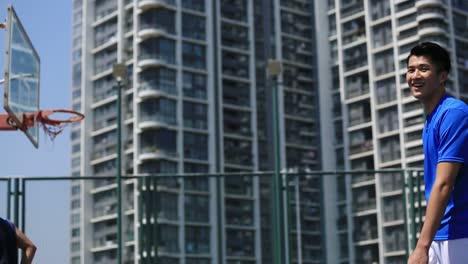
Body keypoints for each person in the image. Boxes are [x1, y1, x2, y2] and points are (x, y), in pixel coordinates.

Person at [406, 42, 468, 264]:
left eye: (423, 68)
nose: (415, 75)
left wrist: (421, 246)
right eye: (411, 69)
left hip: (461, 233)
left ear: (442, 76)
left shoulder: (454, 114)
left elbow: (444, 184)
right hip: (441, 234)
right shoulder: (432, 119)